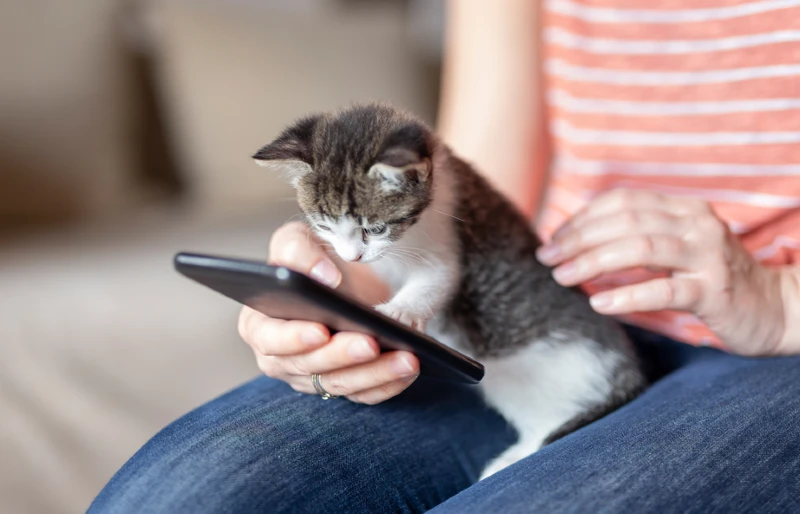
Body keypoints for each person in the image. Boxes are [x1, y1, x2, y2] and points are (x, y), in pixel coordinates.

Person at [90, 1, 800, 512]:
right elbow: (459, 200)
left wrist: (779, 301)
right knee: (186, 493)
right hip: (532, 309)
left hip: (774, 347)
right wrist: (337, 294)